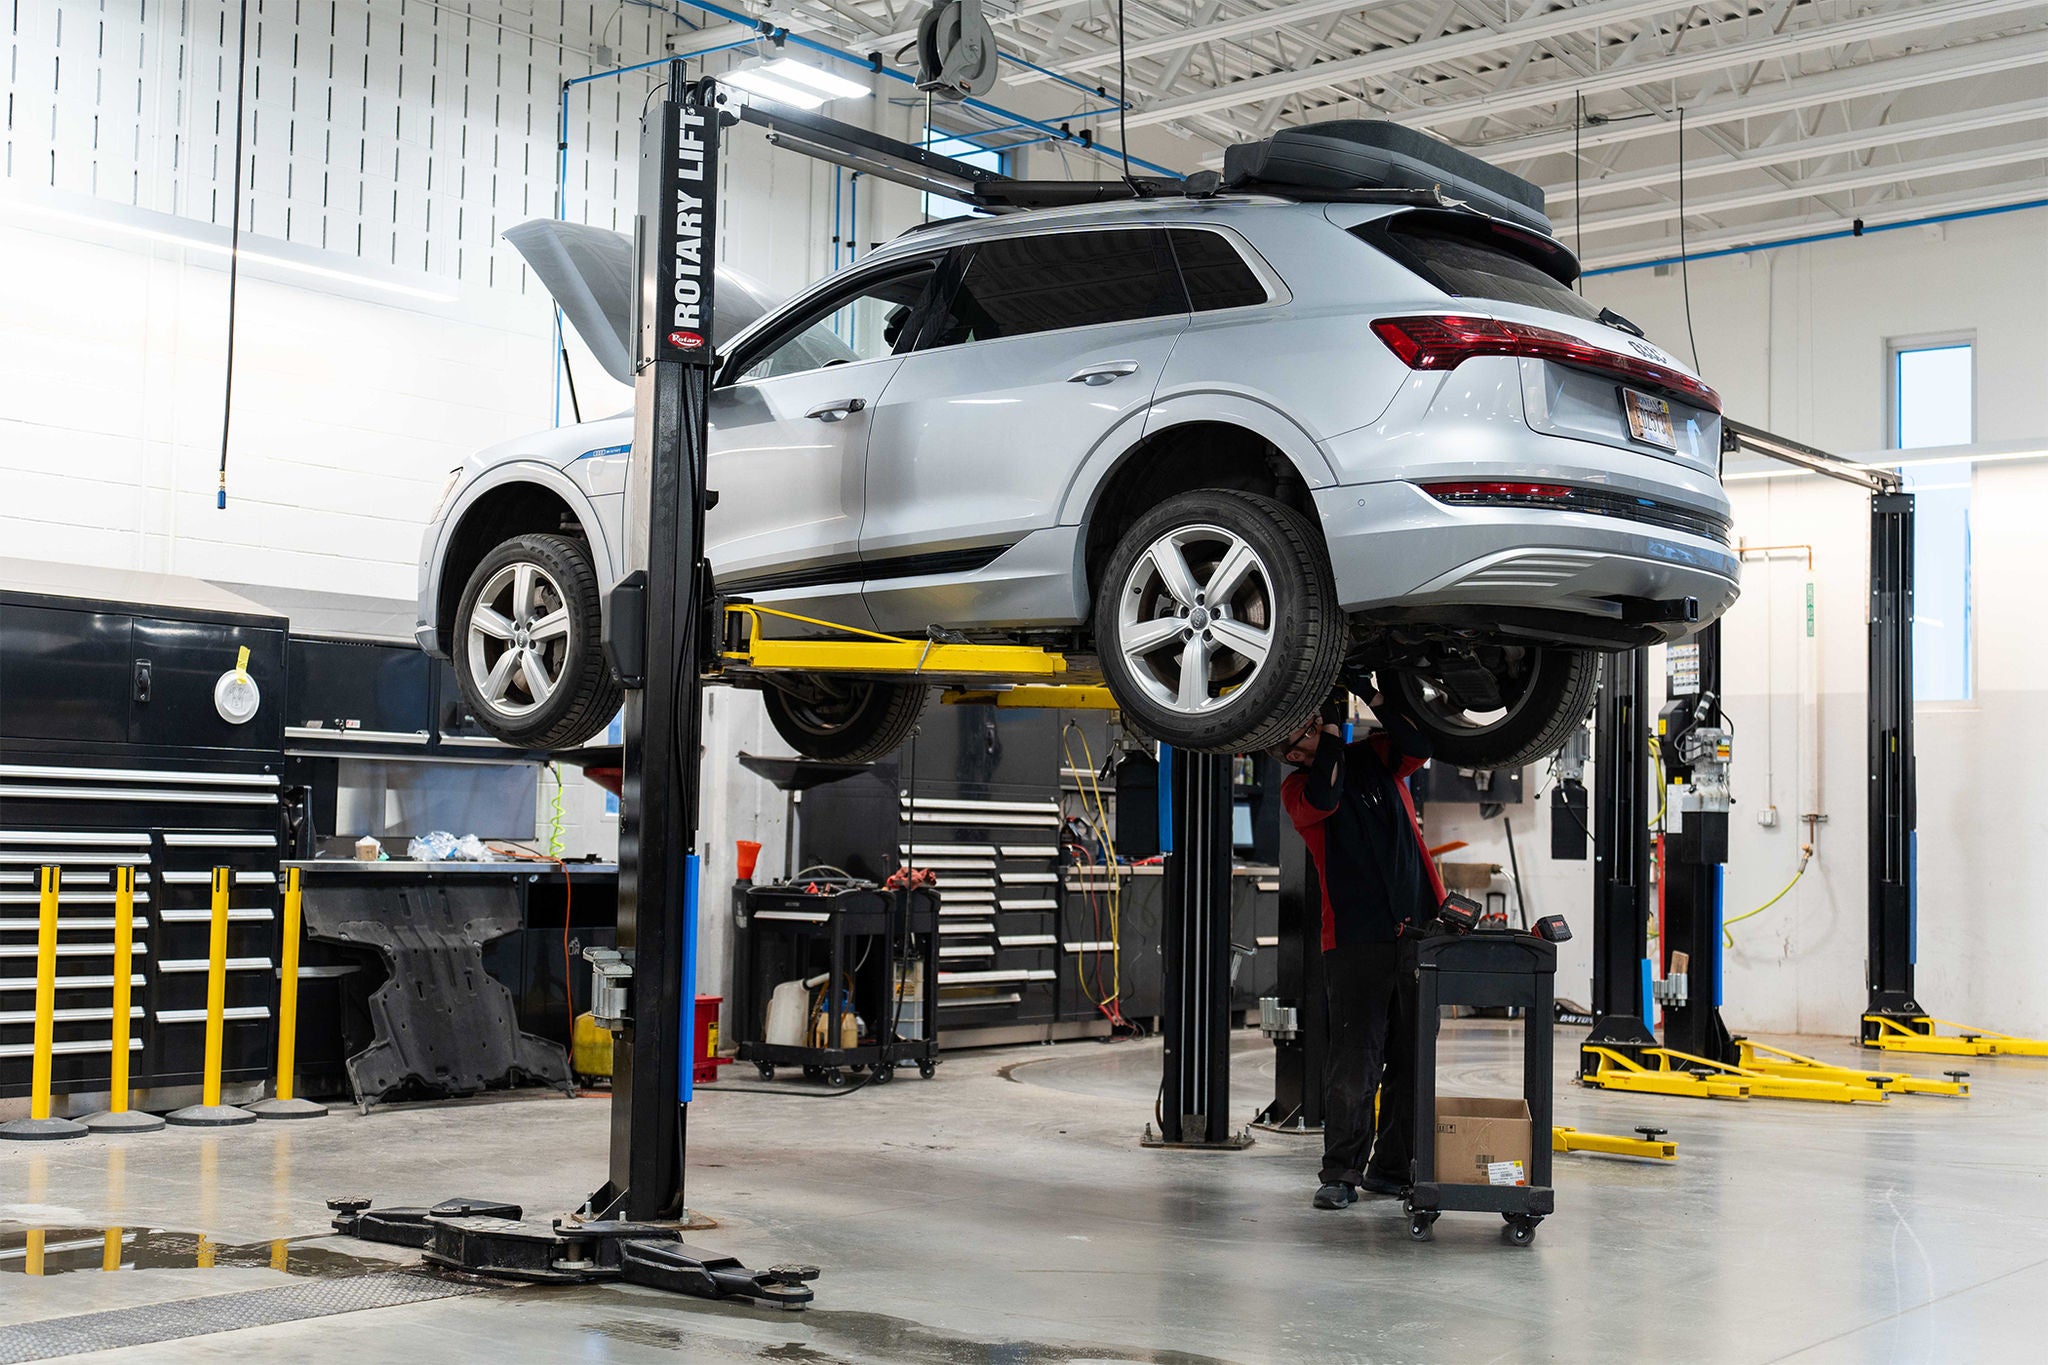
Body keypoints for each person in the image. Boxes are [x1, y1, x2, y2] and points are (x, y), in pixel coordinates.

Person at [1277, 695, 1445, 1210]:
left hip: (1418, 931)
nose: (1315, 724)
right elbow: (1328, 795)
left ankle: (1392, 1169)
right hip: (1355, 942)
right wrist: (1330, 731)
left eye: (1316, 720)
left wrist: (1375, 694)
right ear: (1293, 754)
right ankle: (1341, 1174)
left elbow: (1420, 742)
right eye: (1305, 731)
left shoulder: (1375, 756)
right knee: (1356, 1060)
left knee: (1411, 1060)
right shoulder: (1298, 791)